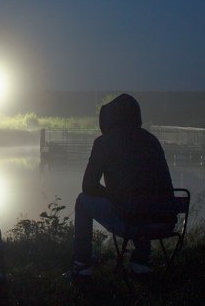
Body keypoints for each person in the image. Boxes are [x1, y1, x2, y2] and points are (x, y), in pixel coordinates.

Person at [69, 93, 173, 278]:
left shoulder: (104, 143)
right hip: (164, 221)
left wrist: (112, 195)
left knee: (82, 201)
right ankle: (141, 261)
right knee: (142, 200)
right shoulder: (151, 140)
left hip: (131, 221)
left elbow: (88, 185)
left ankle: (81, 264)